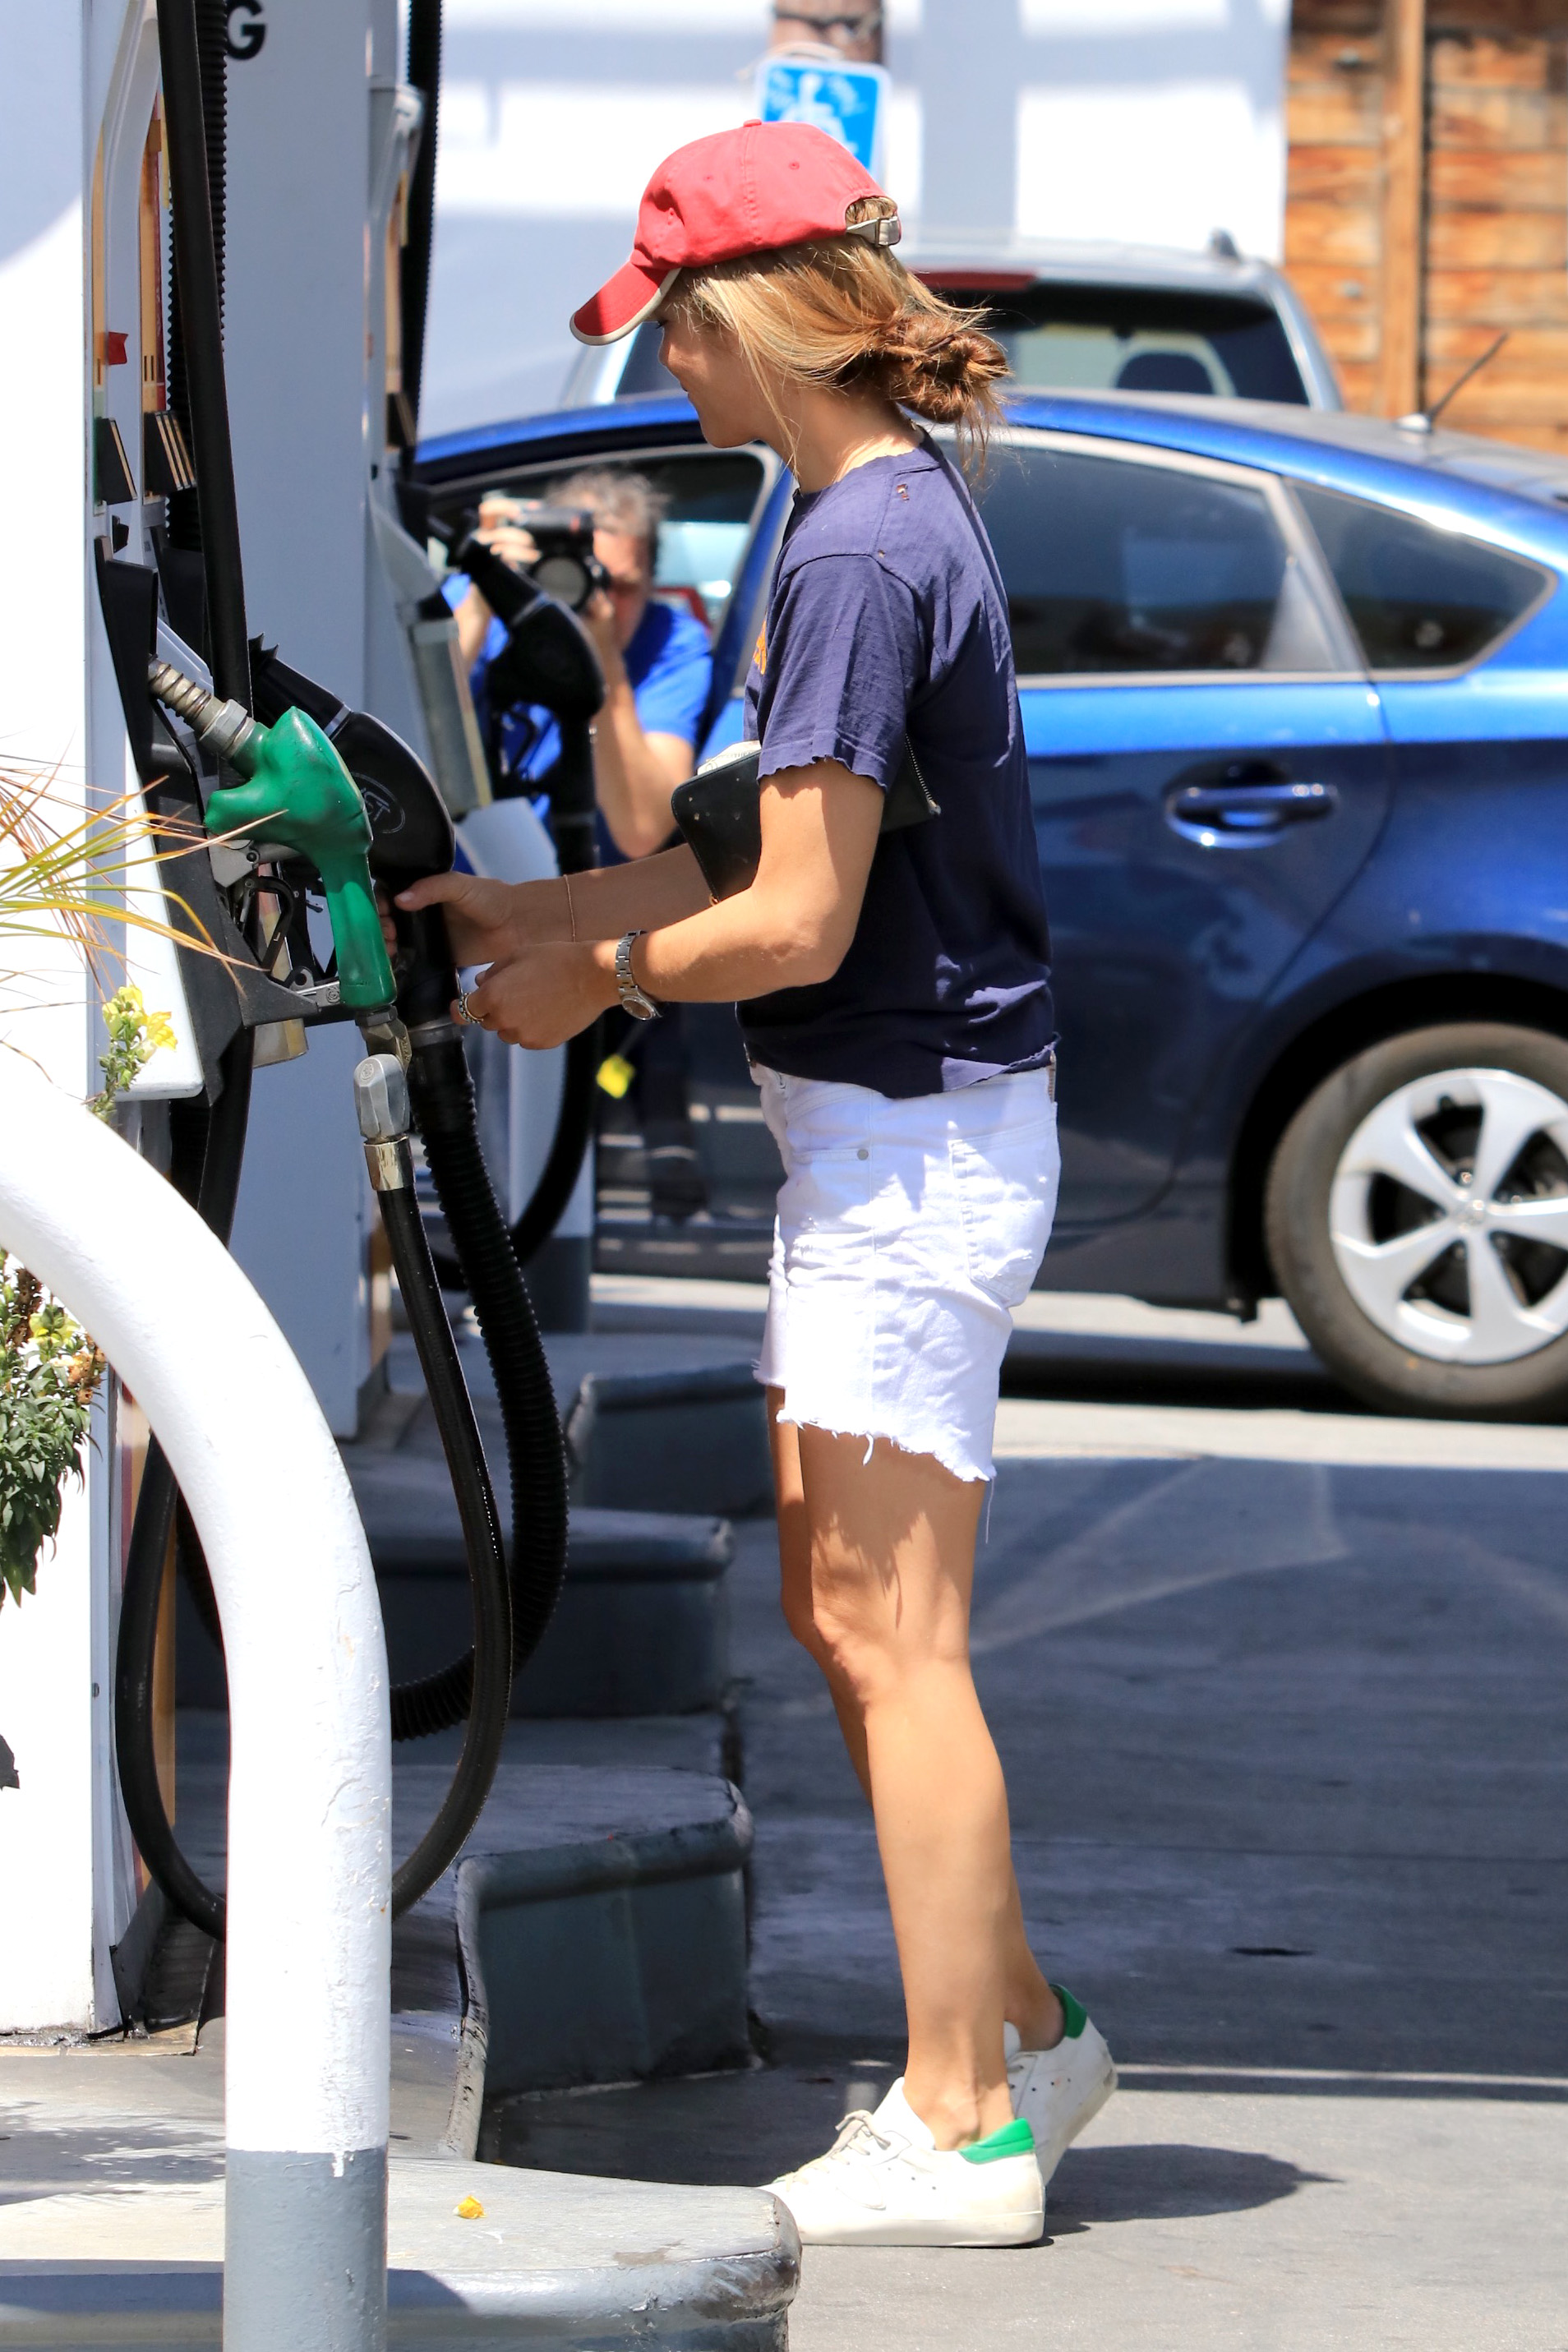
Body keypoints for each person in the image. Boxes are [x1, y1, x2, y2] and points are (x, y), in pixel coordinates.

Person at [397, 119, 1117, 2248]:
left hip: (911, 1148)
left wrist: (592, 971)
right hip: (886, 1140)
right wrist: (510, 923)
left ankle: (967, 2121)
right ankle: (1019, 2024)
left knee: (896, 1635)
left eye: (670, 336)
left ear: (742, 313)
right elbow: (739, 853)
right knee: (845, 1612)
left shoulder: (862, 546)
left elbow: (791, 918)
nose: (662, 379)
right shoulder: (855, 508)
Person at [449, 469, 711, 860]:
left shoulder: (670, 642)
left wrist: (603, 662)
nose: (591, 596)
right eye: (566, 575)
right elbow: (399, 743)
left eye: (617, 585)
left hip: (591, 901)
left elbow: (642, 832)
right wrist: (478, 607)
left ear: (652, 584)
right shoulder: (481, 602)